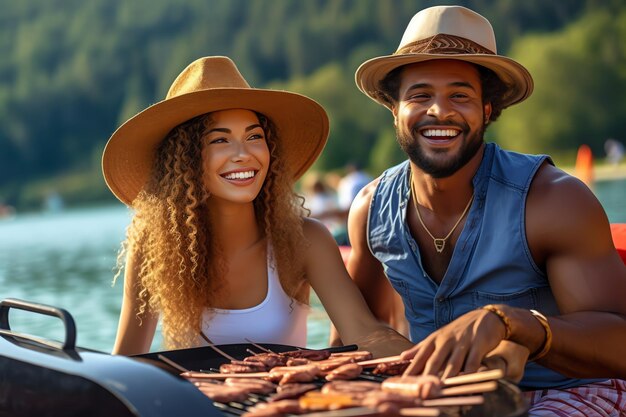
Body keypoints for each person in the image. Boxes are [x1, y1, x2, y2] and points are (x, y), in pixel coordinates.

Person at [345, 5, 626, 415]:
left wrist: (514, 323)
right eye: (420, 95)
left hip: (569, 392)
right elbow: (355, 337)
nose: (439, 111)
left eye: (460, 95)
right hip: (441, 401)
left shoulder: (554, 201)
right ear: (394, 109)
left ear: (488, 110)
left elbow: (619, 346)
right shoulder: (371, 209)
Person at [102, 56, 414, 358]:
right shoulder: (153, 246)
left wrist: (430, 358)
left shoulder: (306, 240)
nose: (243, 154)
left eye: (254, 137)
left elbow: (363, 331)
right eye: (220, 141)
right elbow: (127, 359)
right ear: (185, 161)